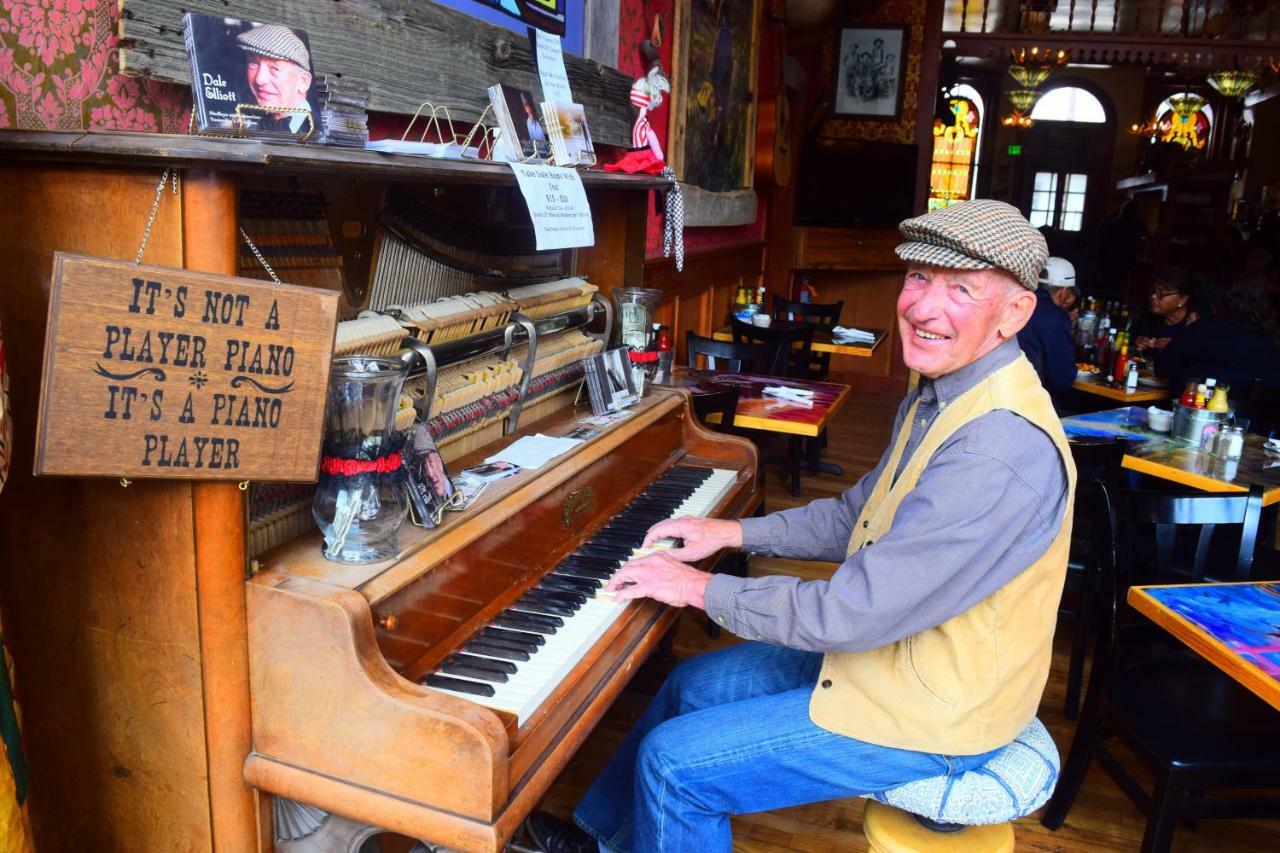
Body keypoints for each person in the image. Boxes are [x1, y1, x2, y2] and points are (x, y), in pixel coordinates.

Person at [526, 200, 1074, 852]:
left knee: (676, 766)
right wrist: (732, 535)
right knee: (688, 687)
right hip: (895, 656)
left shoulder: (996, 449)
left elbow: (849, 613)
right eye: (919, 278)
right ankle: (603, 841)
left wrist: (699, 589)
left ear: (1014, 314)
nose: (924, 306)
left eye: (960, 288)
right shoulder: (942, 392)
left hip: (935, 713)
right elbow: (854, 515)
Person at [1154, 271, 1280, 402]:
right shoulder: (1270, 334)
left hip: (1201, 413)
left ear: (1216, 299)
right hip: (1253, 417)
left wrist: (1188, 328)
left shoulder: (1206, 328)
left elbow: (1163, 367)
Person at [235, 24, 314, 134]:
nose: (259, 79)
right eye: (253, 63)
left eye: (275, 69)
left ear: (303, 82)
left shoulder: (316, 126)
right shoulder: (248, 119)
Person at [1017, 256, 1078, 394]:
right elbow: (1063, 379)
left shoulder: (1017, 302)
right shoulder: (1055, 317)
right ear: (1064, 291)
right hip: (1029, 399)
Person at [1131, 266, 1199, 354]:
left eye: (1161, 293)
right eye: (1153, 290)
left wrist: (1177, 345)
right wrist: (1136, 346)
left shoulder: (1195, 324)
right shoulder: (1146, 319)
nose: (1153, 296)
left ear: (1183, 299)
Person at [521, 92, 549, 157]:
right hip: (539, 152)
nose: (528, 108)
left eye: (528, 105)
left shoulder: (537, 120)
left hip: (545, 150)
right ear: (525, 109)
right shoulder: (528, 122)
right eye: (526, 106)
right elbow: (533, 138)